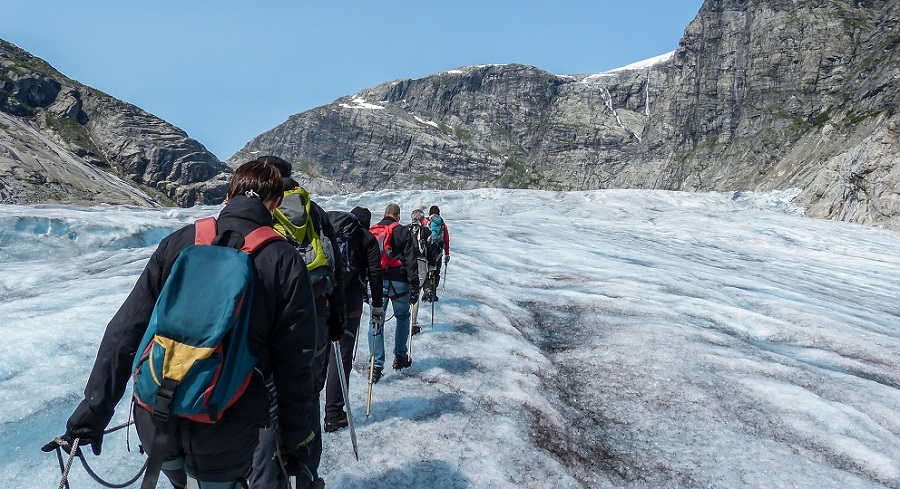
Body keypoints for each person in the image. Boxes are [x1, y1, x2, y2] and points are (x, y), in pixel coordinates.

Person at [44, 160, 320, 489]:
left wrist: (93, 411)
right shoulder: (283, 259)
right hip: (226, 419)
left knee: (180, 480)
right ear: (275, 203)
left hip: (156, 411)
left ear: (228, 195)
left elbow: (126, 328)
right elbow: (295, 364)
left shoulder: (182, 241)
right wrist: (295, 441)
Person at [250, 155, 346, 489]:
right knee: (306, 394)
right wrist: (336, 320)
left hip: (268, 318)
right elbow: (335, 264)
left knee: (267, 401)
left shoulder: (263, 208)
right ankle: (307, 475)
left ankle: (271, 476)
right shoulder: (315, 211)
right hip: (315, 317)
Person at [323, 206, 383, 433]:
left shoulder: (328, 229)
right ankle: (334, 414)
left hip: (322, 299)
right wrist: (377, 305)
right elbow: (375, 273)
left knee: (318, 354)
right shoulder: (365, 237)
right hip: (350, 303)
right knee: (342, 357)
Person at [367, 203, 419, 382]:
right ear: (398, 216)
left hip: (377, 282)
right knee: (403, 317)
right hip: (400, 283)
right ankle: (400, 356)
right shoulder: (404, 231)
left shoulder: (374, 230)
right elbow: (412, 261)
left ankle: (376, 364)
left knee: (376, 322)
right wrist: (415, 286)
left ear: (384, 214)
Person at [407, 208, 431, 335]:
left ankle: (405, 322)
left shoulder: (405, 229)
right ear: (422, 219)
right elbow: (431, 249)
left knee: (407, 291)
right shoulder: (426, 231)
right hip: (421, 263)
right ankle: (413, 324)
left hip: (406, 264)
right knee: (415, 293)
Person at [422, 205, 451, 301]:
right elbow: (446, 239)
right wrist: (447, 253)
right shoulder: (442, 223)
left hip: (427, 251)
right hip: (438, 252)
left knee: (426, 270)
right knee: (435, 271)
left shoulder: (425, 221)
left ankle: (426, 291)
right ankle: (433, 292)